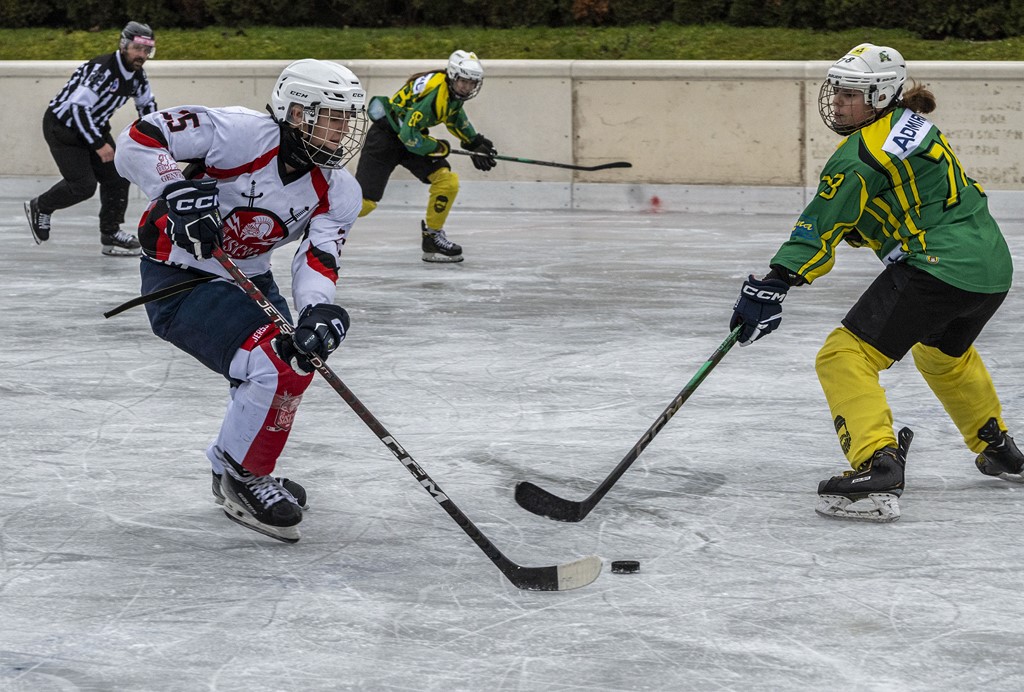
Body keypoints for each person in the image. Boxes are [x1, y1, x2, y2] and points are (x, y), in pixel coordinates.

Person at [729, 43, 1023, 523]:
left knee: (842, 356)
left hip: (939, 266)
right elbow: (903, 200)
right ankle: (1000, 448)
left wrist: (775, 282)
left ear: (880, 95)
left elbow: (820, 223)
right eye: (837, 92)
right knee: (941, 354)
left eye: (850, 94)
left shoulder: (858, 155)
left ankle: (877, 463)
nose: (838, 102)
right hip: (989, 269)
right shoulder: (911, 124)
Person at [113, 59, 369, 543]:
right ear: (295, 113)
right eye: (331, 118)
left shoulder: (339, 190)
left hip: (249, 277)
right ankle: (242, 474)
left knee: (296, 359)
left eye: (346, 121)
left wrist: (317, 309)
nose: (342, 132)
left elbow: (317, 258)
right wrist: (174, 189)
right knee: (274, 364)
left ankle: (236, 463)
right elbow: (140, 138)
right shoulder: (235, 133)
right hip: (179, 278)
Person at [25, 21, 158, 257]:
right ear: (124, 45)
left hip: (93, 125)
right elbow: (77, 107)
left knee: (118, 177)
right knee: (82, 186)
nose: (142, 55)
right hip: (63, 127)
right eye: (137, 48)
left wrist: (156, 142)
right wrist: (98, 144)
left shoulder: (138, 75)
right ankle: (41, 206)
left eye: (147, 50)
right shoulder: (103, 69)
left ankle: (110, 233)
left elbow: (147, 106)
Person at [355, 50, 498, 263]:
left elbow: (455, 117)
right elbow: (408, 136)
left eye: (472, 83)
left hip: (411, 138)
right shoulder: (435, 95)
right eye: (464, 82)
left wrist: (474, 142)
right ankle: (318, 215)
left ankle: (432, 236)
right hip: (386, 138)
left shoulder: (452, 92)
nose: (467, 87)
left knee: (447, 181)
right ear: (452, 75)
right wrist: (438, 147)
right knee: (364, 204)